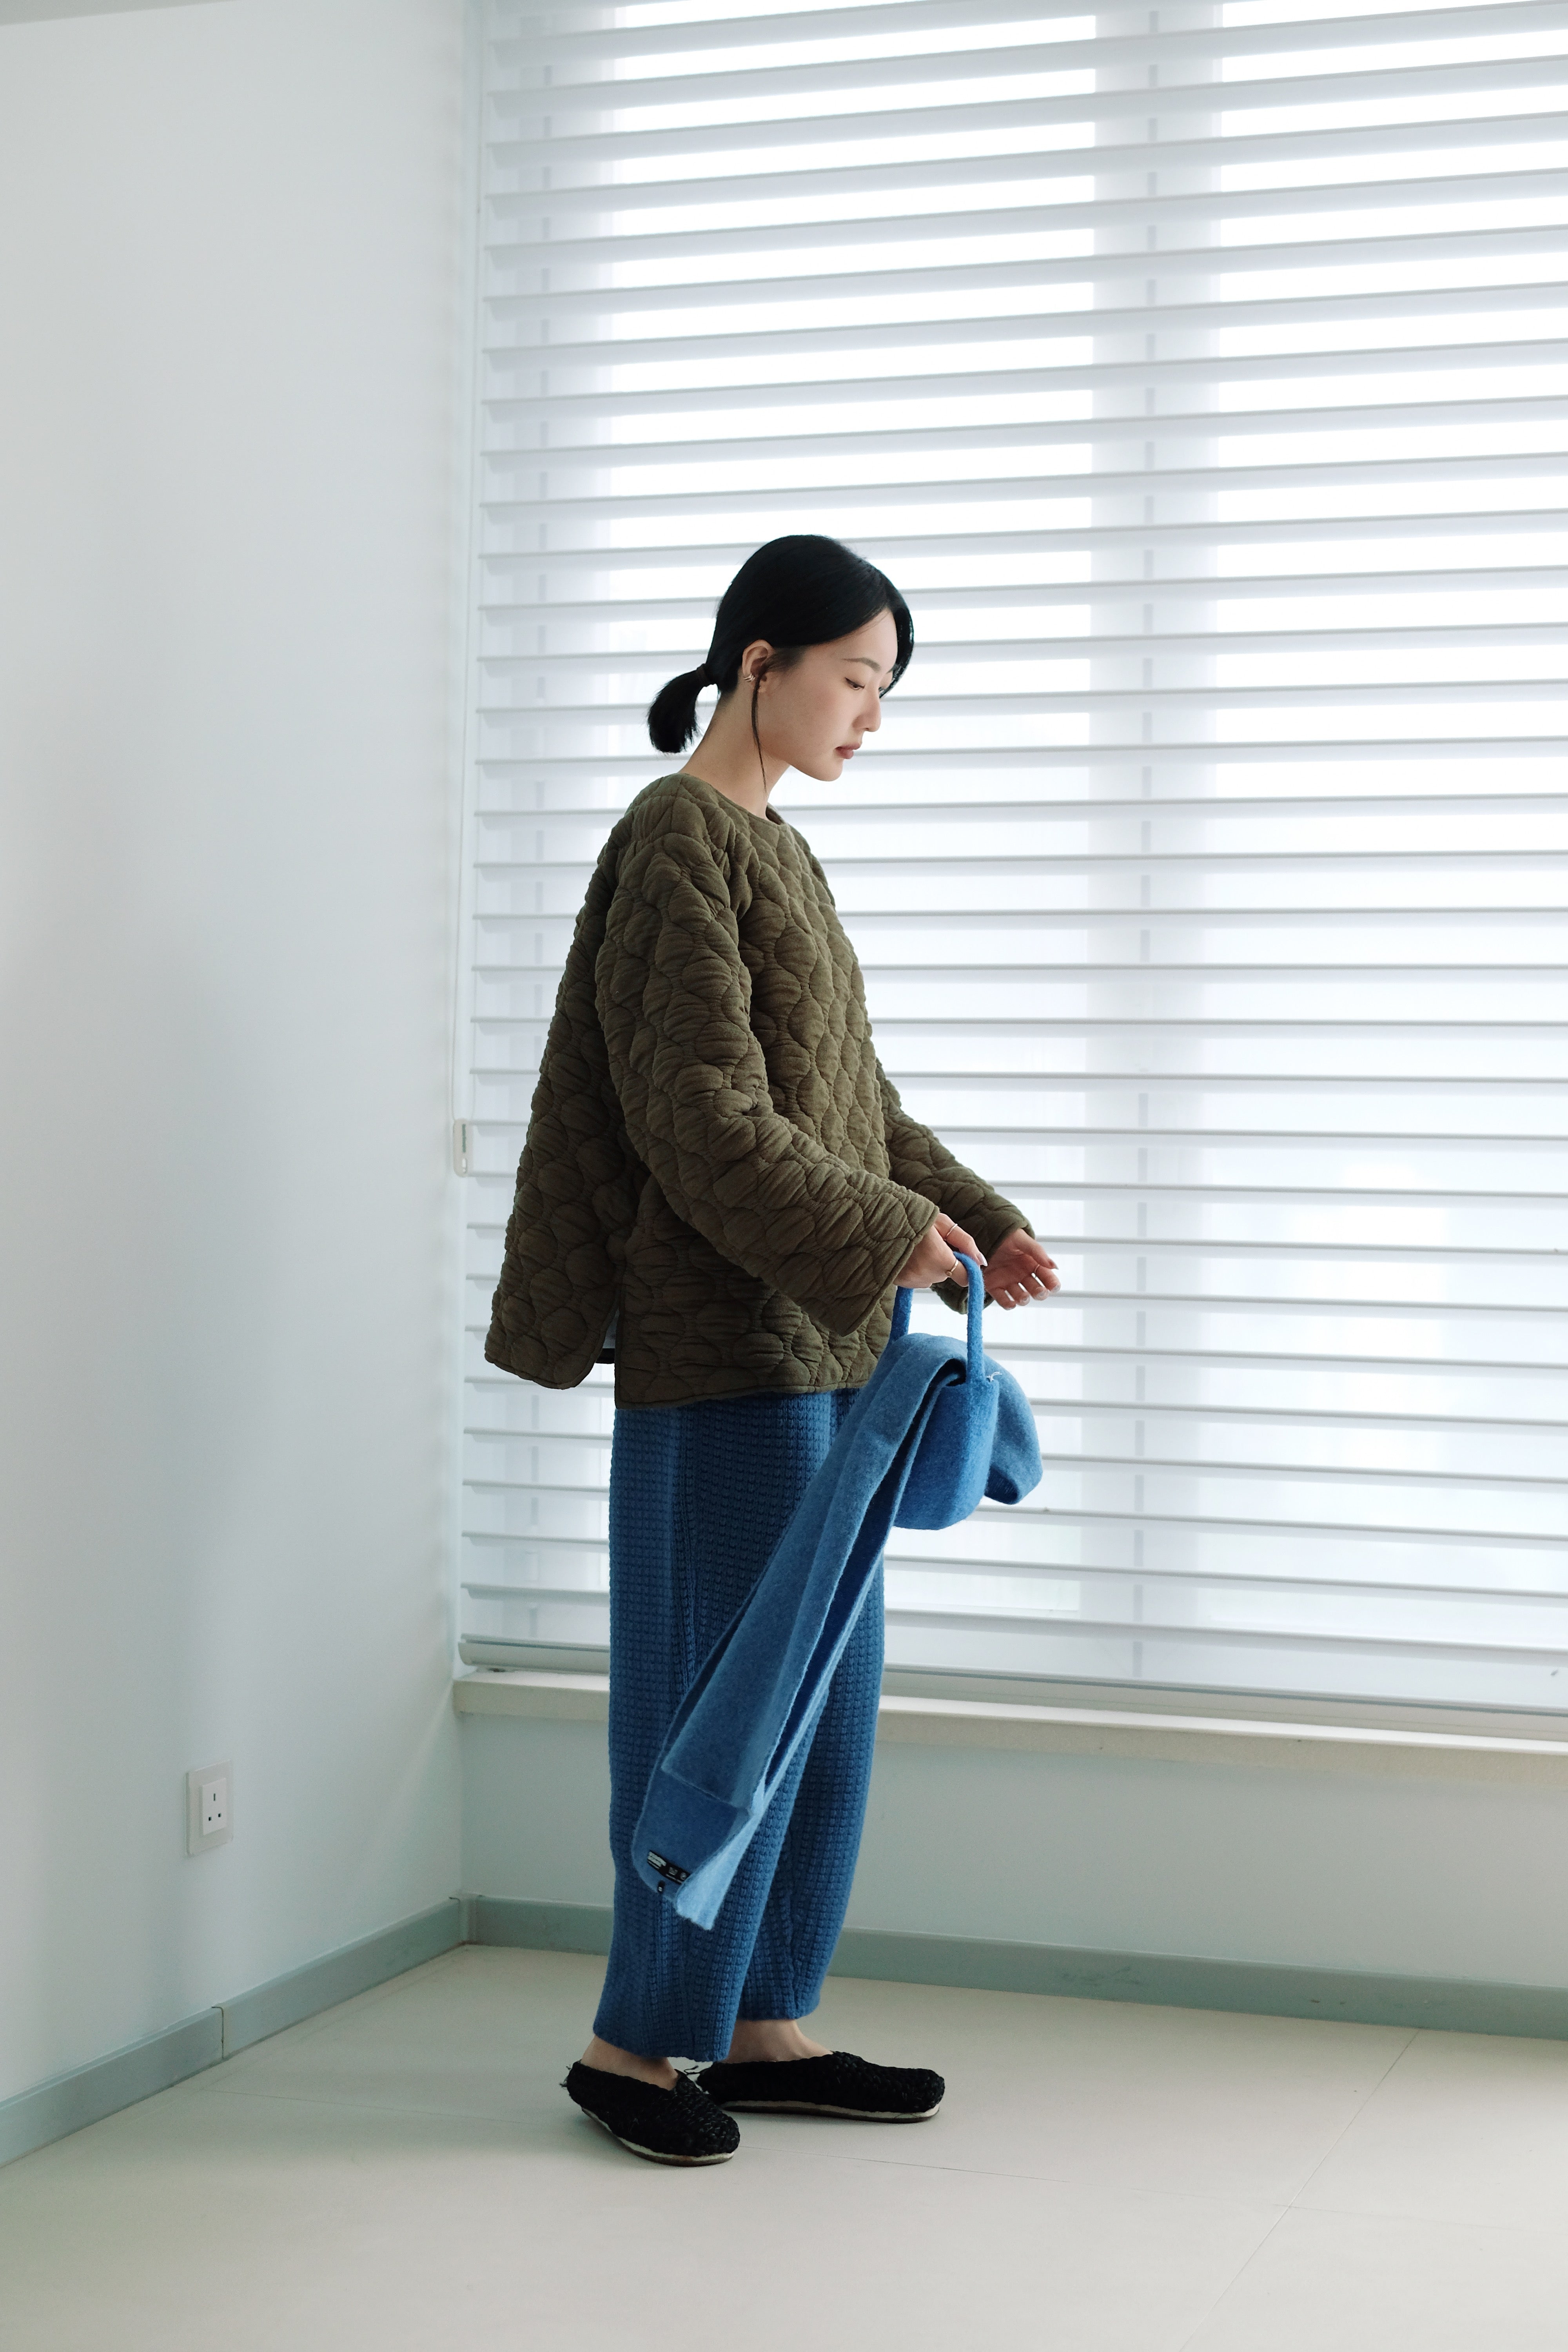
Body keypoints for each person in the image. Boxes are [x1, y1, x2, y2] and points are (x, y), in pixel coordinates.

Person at [486, 534, 1060, 2166]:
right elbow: (699, 1118)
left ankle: (756, 2027)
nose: (871, 716)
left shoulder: (779, 855)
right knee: (712, 1713)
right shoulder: (674, 840)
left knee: (821, 1701)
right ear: (761, 662)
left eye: (886, 690)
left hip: (823, 1349)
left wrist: (975, 1218)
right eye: (857, 679)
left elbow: (850, 1107)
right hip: (717, 1353)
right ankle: (632, 2045)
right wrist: (882, 1228)